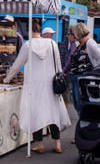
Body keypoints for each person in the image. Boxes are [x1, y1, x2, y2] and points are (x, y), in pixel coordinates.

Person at [4, 20, 71, 154]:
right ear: (40, 31)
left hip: (34, 85)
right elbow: (58, 66)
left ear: (29, 31)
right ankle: (57, 144)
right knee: (53, 113)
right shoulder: (52, 44)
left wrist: (7, 79)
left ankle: (40, 144)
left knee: (35, 113)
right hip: (51, 84)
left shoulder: (28, 45)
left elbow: (17, 65)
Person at [65, 23, 100, 113]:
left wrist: (93, 74)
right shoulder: (81, 44)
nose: (74, 35)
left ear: (78, 33)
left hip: (83, 80)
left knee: (82, 106)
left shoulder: (90, 43)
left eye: (74, 33)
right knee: (77, 104)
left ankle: (85, 125)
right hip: (76, 79)